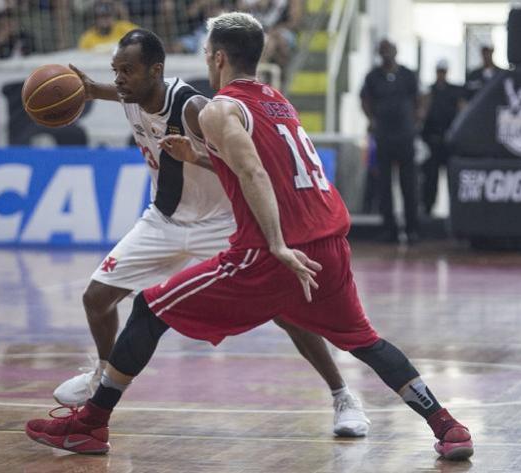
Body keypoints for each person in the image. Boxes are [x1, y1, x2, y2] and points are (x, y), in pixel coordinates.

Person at [25, 14, 473, 461]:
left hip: (267, 249)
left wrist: (276, 244)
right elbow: (256, 164)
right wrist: (196, 155)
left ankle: (90, 425)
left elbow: (253, 171)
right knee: (365, 341)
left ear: (218, 58)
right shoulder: (278, 103)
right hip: (330, 243)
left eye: (207, 53)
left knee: (149, 308)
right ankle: (447, 426)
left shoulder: (217, 108)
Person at [53, 28, 370, 437]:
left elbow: (239, 166)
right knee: (96, 298)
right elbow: (124, 92)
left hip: (222, 224)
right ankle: (101, 377)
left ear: (156, 71)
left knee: (286, 312)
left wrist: (194, 156)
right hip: (163, 221)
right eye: (116, 71)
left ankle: (343, 395)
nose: (119, 79)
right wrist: (93, 90)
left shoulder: (194, 108)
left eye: (126, 71)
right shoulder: (132, 93)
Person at [360, 39, 421, 244]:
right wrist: (371, 119)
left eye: (389, 50)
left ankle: (412, 229)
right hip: (383, 137)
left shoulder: (408, 75)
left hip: (405, 136)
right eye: (383, 50)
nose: (386, 54)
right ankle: (389, 229)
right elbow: (365, 99)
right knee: (384, 185)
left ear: (396, 51)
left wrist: (416, 121)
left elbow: (420, 99)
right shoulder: (372, 77)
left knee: (409, 184)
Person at [420, 59, 464, 216]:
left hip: (449, 141)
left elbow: (461, 111)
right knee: (430, 178)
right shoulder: (429, 91)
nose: (441, 74)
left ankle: (456, 209)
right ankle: (428, 208)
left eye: (443, 71)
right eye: (439, 71)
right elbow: (422, 113)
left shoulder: (454, 91)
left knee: (453, 176)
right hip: (432, 140)